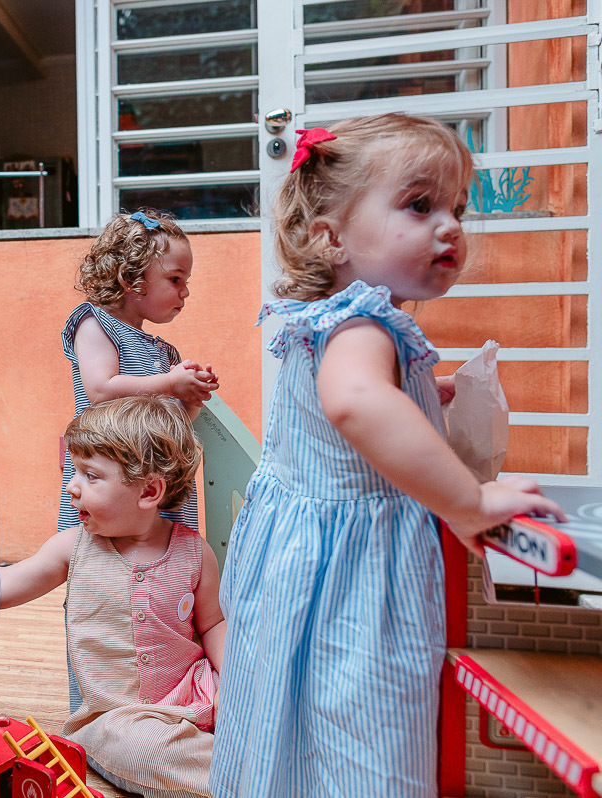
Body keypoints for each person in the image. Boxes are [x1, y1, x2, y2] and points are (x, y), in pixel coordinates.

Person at [211, 115, 565, 797]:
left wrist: (419, 392)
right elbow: (355, 403)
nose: (451, 226)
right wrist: (471, 500)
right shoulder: (364, 323)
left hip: (303, 567)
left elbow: (345, 410)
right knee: (363, 741)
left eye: (458, 208)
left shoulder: (334, 317)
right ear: (331, 235)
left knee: (297, 729)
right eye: (419, 205)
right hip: (353, 582)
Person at [0, 395, 223, 798]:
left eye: (91, 475)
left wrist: (238, 683)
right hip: (117, 718)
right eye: (74, 471)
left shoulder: (194, 552)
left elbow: (214, 625)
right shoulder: (72, 548)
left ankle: (248, 756)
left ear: (149, 491)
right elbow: (8, 585)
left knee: (261, 709)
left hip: (197, 691)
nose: (73, 486)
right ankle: (245, 777)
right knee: (144, 752)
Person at [59, 209, 219, 534]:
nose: (184, 291)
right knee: (104, 560)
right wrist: (172, 382)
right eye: (175, 279)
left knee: (162, 556)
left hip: (154, 473)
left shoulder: (163, 352)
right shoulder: (95, 324)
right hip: (112, 472)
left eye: (186, 282)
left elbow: (167, 420)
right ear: (130, 278)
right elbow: (101, 390)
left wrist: (189, 400)